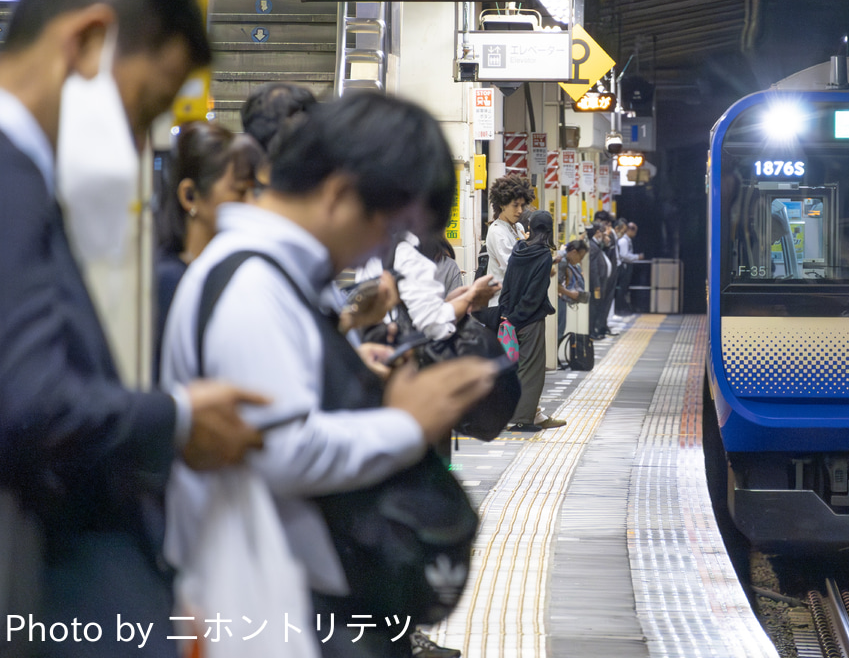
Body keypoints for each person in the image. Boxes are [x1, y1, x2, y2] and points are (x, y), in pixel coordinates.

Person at [0, 0, 266, 656]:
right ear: (86, 42)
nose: (138, 137)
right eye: (143, 108)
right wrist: (176, 418)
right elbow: (29, 404)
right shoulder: (6, 176)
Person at [161, 91, 496, 658]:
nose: (384, 247)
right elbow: (281, 450)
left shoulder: (277, 276)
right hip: (268, 613)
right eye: (390, 227)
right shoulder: (251, 285)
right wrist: (408, 425)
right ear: (340, 193)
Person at [155, 121, 263, 377]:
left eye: (252, 192)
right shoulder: (169, 282)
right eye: (239, 192)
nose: (251, 205)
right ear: (190, 196)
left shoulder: (231, 270)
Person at [499, 210, 565, 432]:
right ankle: (522, 420)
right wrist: (517, 317)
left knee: (515, 369)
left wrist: (506, 314)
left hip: (510, 320)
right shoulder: (544, 256)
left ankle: (520, 415)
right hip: (530, 321)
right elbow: (534, 295)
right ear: (548, 230)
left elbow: (507, 283)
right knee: (532, 372)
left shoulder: (518, 250)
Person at [477, 173, 533, 328]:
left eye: (522, 205)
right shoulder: (497, 231)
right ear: (502, 204)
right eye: (515, 205)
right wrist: (529, 247)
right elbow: (512, 266)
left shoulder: (518, 228)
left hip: (515, 302)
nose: (520, 210)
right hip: (500, 304)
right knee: (506, 351)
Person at [588, 224, 615, 339]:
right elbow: (593, 269)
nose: (604, 236)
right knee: (594, 308)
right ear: (597, 232)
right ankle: (592, 331)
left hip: (600, 283)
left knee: (597, 307)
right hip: (597, 285)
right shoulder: (593, 246)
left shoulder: (596, 245)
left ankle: (594, 330)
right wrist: (597, 285)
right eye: (603, 234)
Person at [557, 239, 588, 338]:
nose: (580, 261)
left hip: (559, 299)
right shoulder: (562, 261)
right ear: (574, 252)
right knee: (559, 330)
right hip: (557, 300)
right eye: (580, 257)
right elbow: (554, 285)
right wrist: (570, 294)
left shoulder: (563, 259)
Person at [615, 221, 643, 313]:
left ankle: (621, 307)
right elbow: (624, 255)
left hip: (627, 266)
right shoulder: (623, 241)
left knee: (624, 288)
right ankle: (619, 308)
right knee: (622, 288)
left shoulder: (627, 240)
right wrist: (637, 257)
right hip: (624, 266)